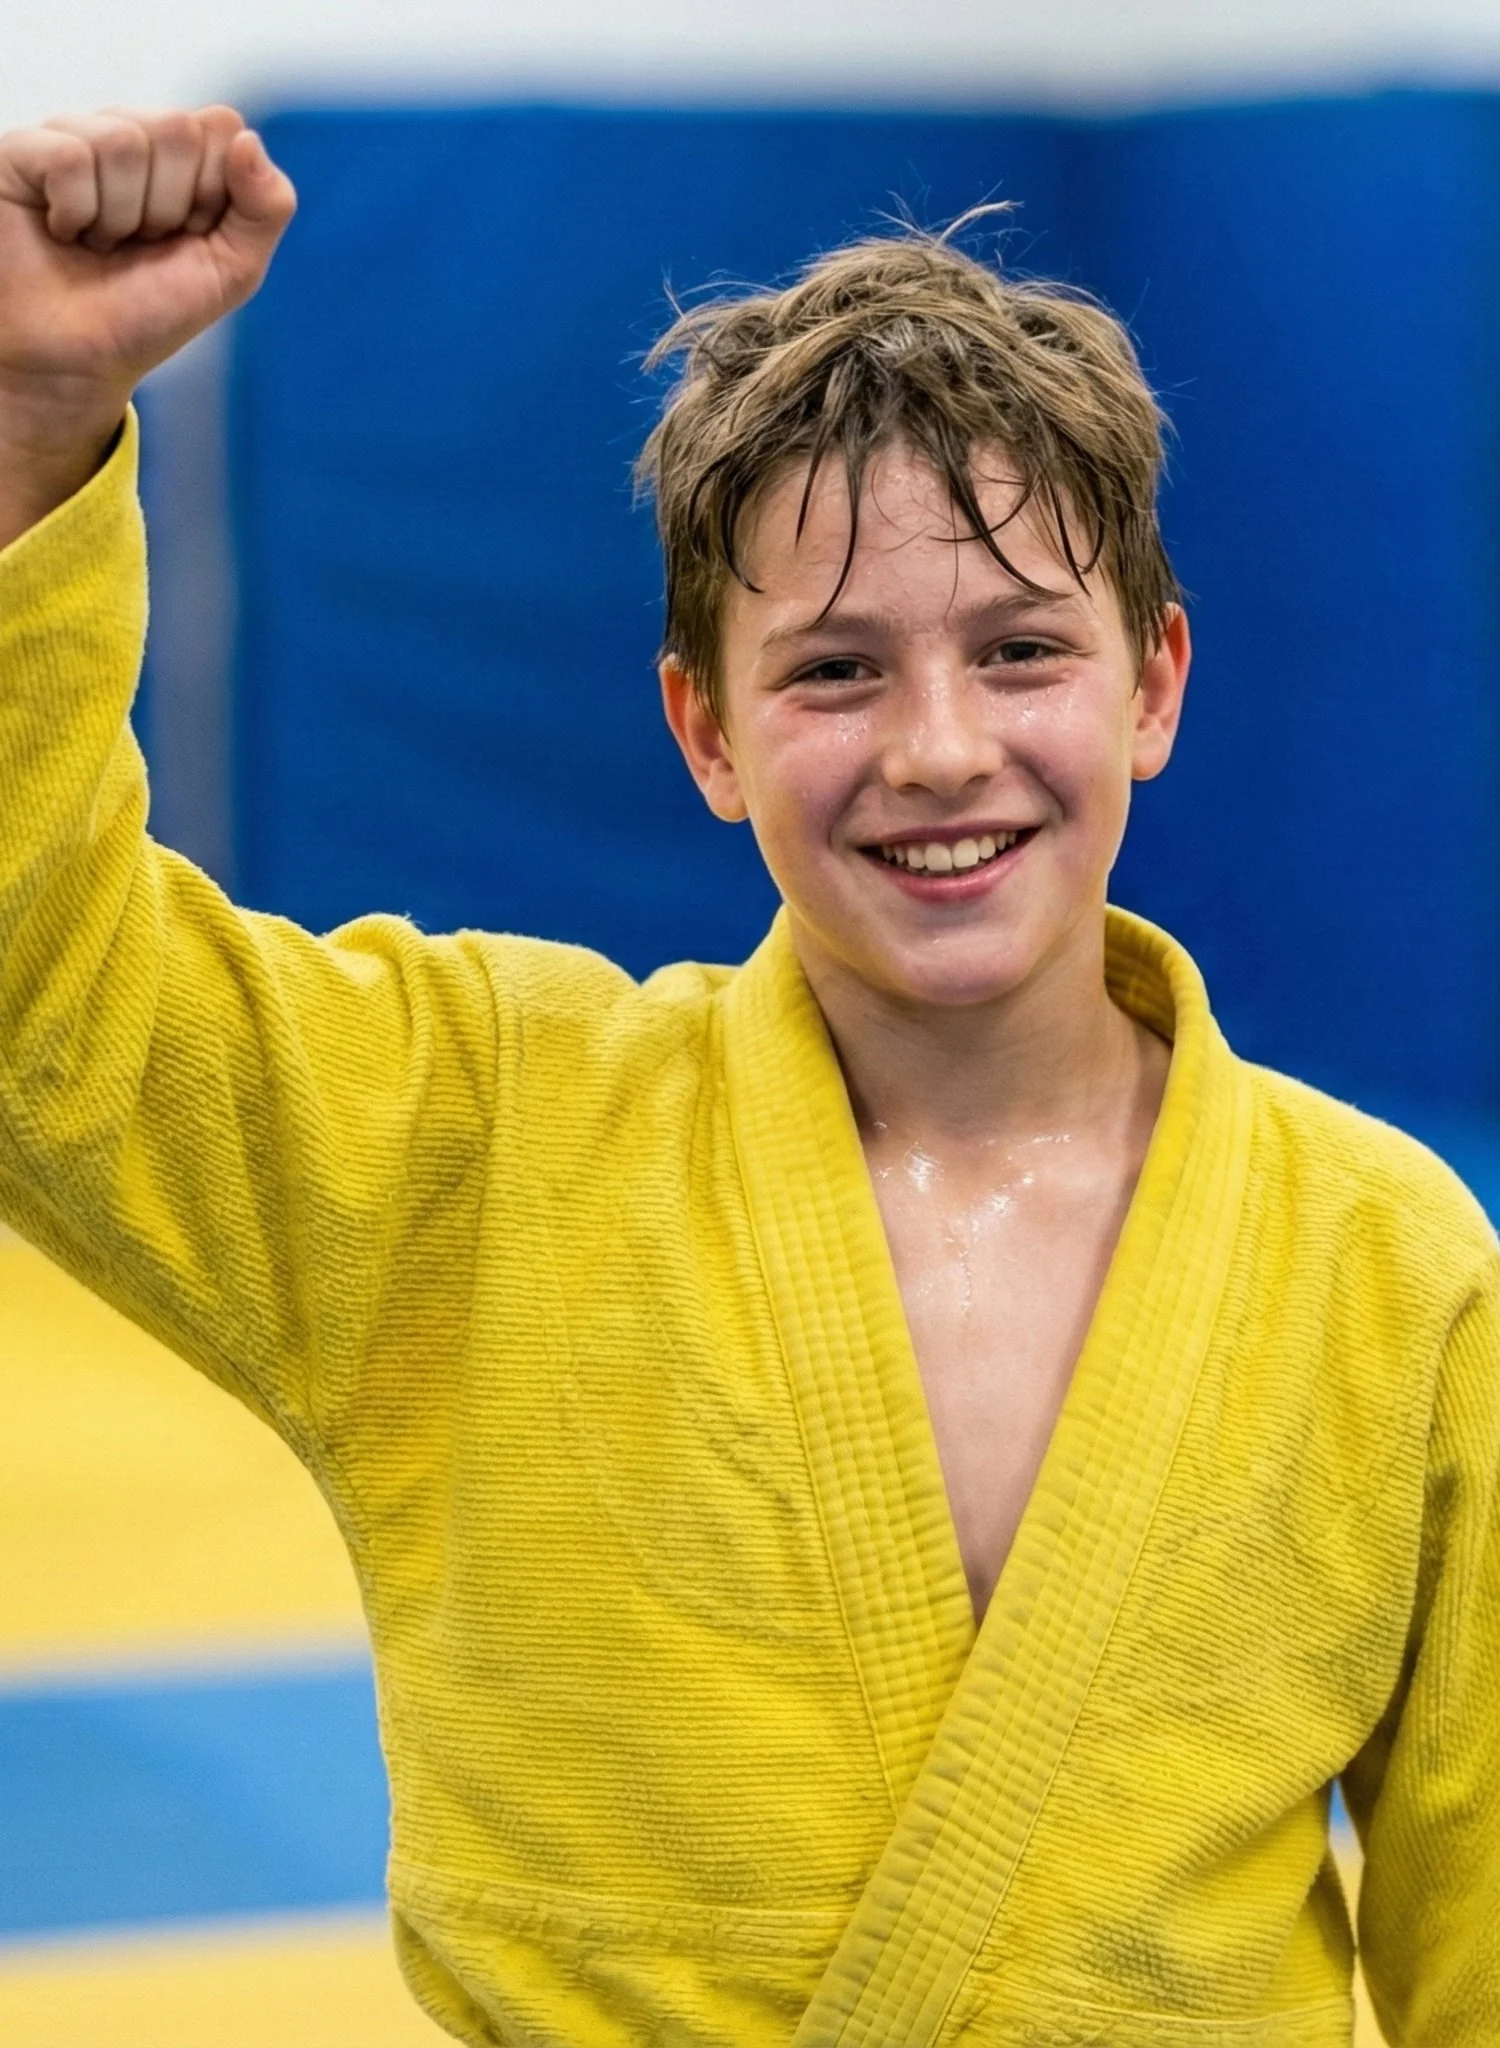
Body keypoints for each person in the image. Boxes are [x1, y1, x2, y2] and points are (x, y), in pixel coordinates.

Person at [0, 104, 1495, 2048]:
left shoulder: (1389, 1265)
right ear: (702, 727)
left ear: (1157, 684)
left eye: (1022, 650)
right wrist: (30, 432)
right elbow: (43, 994)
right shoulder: (479, 1134)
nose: (941, 748)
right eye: (836, 671)